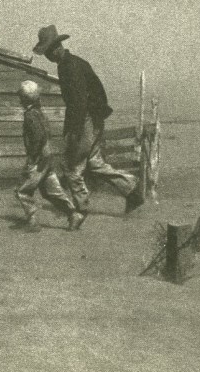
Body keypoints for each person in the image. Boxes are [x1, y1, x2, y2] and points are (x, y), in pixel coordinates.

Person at [32, 25, 144, 224]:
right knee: (94, 163)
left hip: (86, 120)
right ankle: (131, 188)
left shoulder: (69, 67)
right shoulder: (72, 63)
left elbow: (78, 102)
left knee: (71, 165)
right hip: (93, 118)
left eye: (49, 51)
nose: (48, 56)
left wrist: (74, 132)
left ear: (57, 48)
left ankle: (80, 209)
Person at [14, 80, 83, 232]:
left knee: (22, 190)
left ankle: (32, 221)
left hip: (38, 158)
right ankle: (73, 214)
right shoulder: (40, 112)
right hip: (47, 156)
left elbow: (38, 136)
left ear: (25, 99)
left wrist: (33, 156)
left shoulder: (30, 115)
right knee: (51, 190)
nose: (19, 100)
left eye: (21, 97)